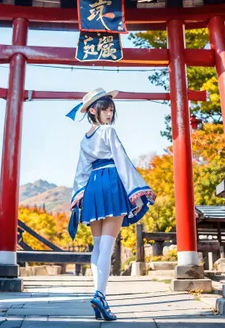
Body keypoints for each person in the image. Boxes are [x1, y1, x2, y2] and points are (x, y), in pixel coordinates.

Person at [67, 88, 156, 321]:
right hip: (111, 182)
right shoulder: (109, 131)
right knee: (106, 246)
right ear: (93, 110)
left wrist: (79, 196)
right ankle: (100, 294)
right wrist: (136, 191)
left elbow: (81, 170)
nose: (109, 113)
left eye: (111, 109)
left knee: (97, 247)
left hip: (93, 187)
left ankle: (99, 296)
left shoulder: (84, 139)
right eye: (105, 109)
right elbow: (121, 160)